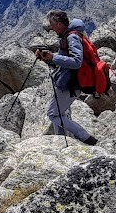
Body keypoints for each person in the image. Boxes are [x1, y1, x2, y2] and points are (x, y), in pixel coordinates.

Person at [34, 10, 99, 146]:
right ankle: (61, 141)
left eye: (52, 25)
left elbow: (76, 62)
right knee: (59, 113)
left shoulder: (71, 37)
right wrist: (49, 57)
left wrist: (53, 57)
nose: (51, 29)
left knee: (53, 114)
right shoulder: (68, 35)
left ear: (59, 24)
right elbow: (65, 55)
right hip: (67, 82)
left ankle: (85, 137)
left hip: (71, 84)